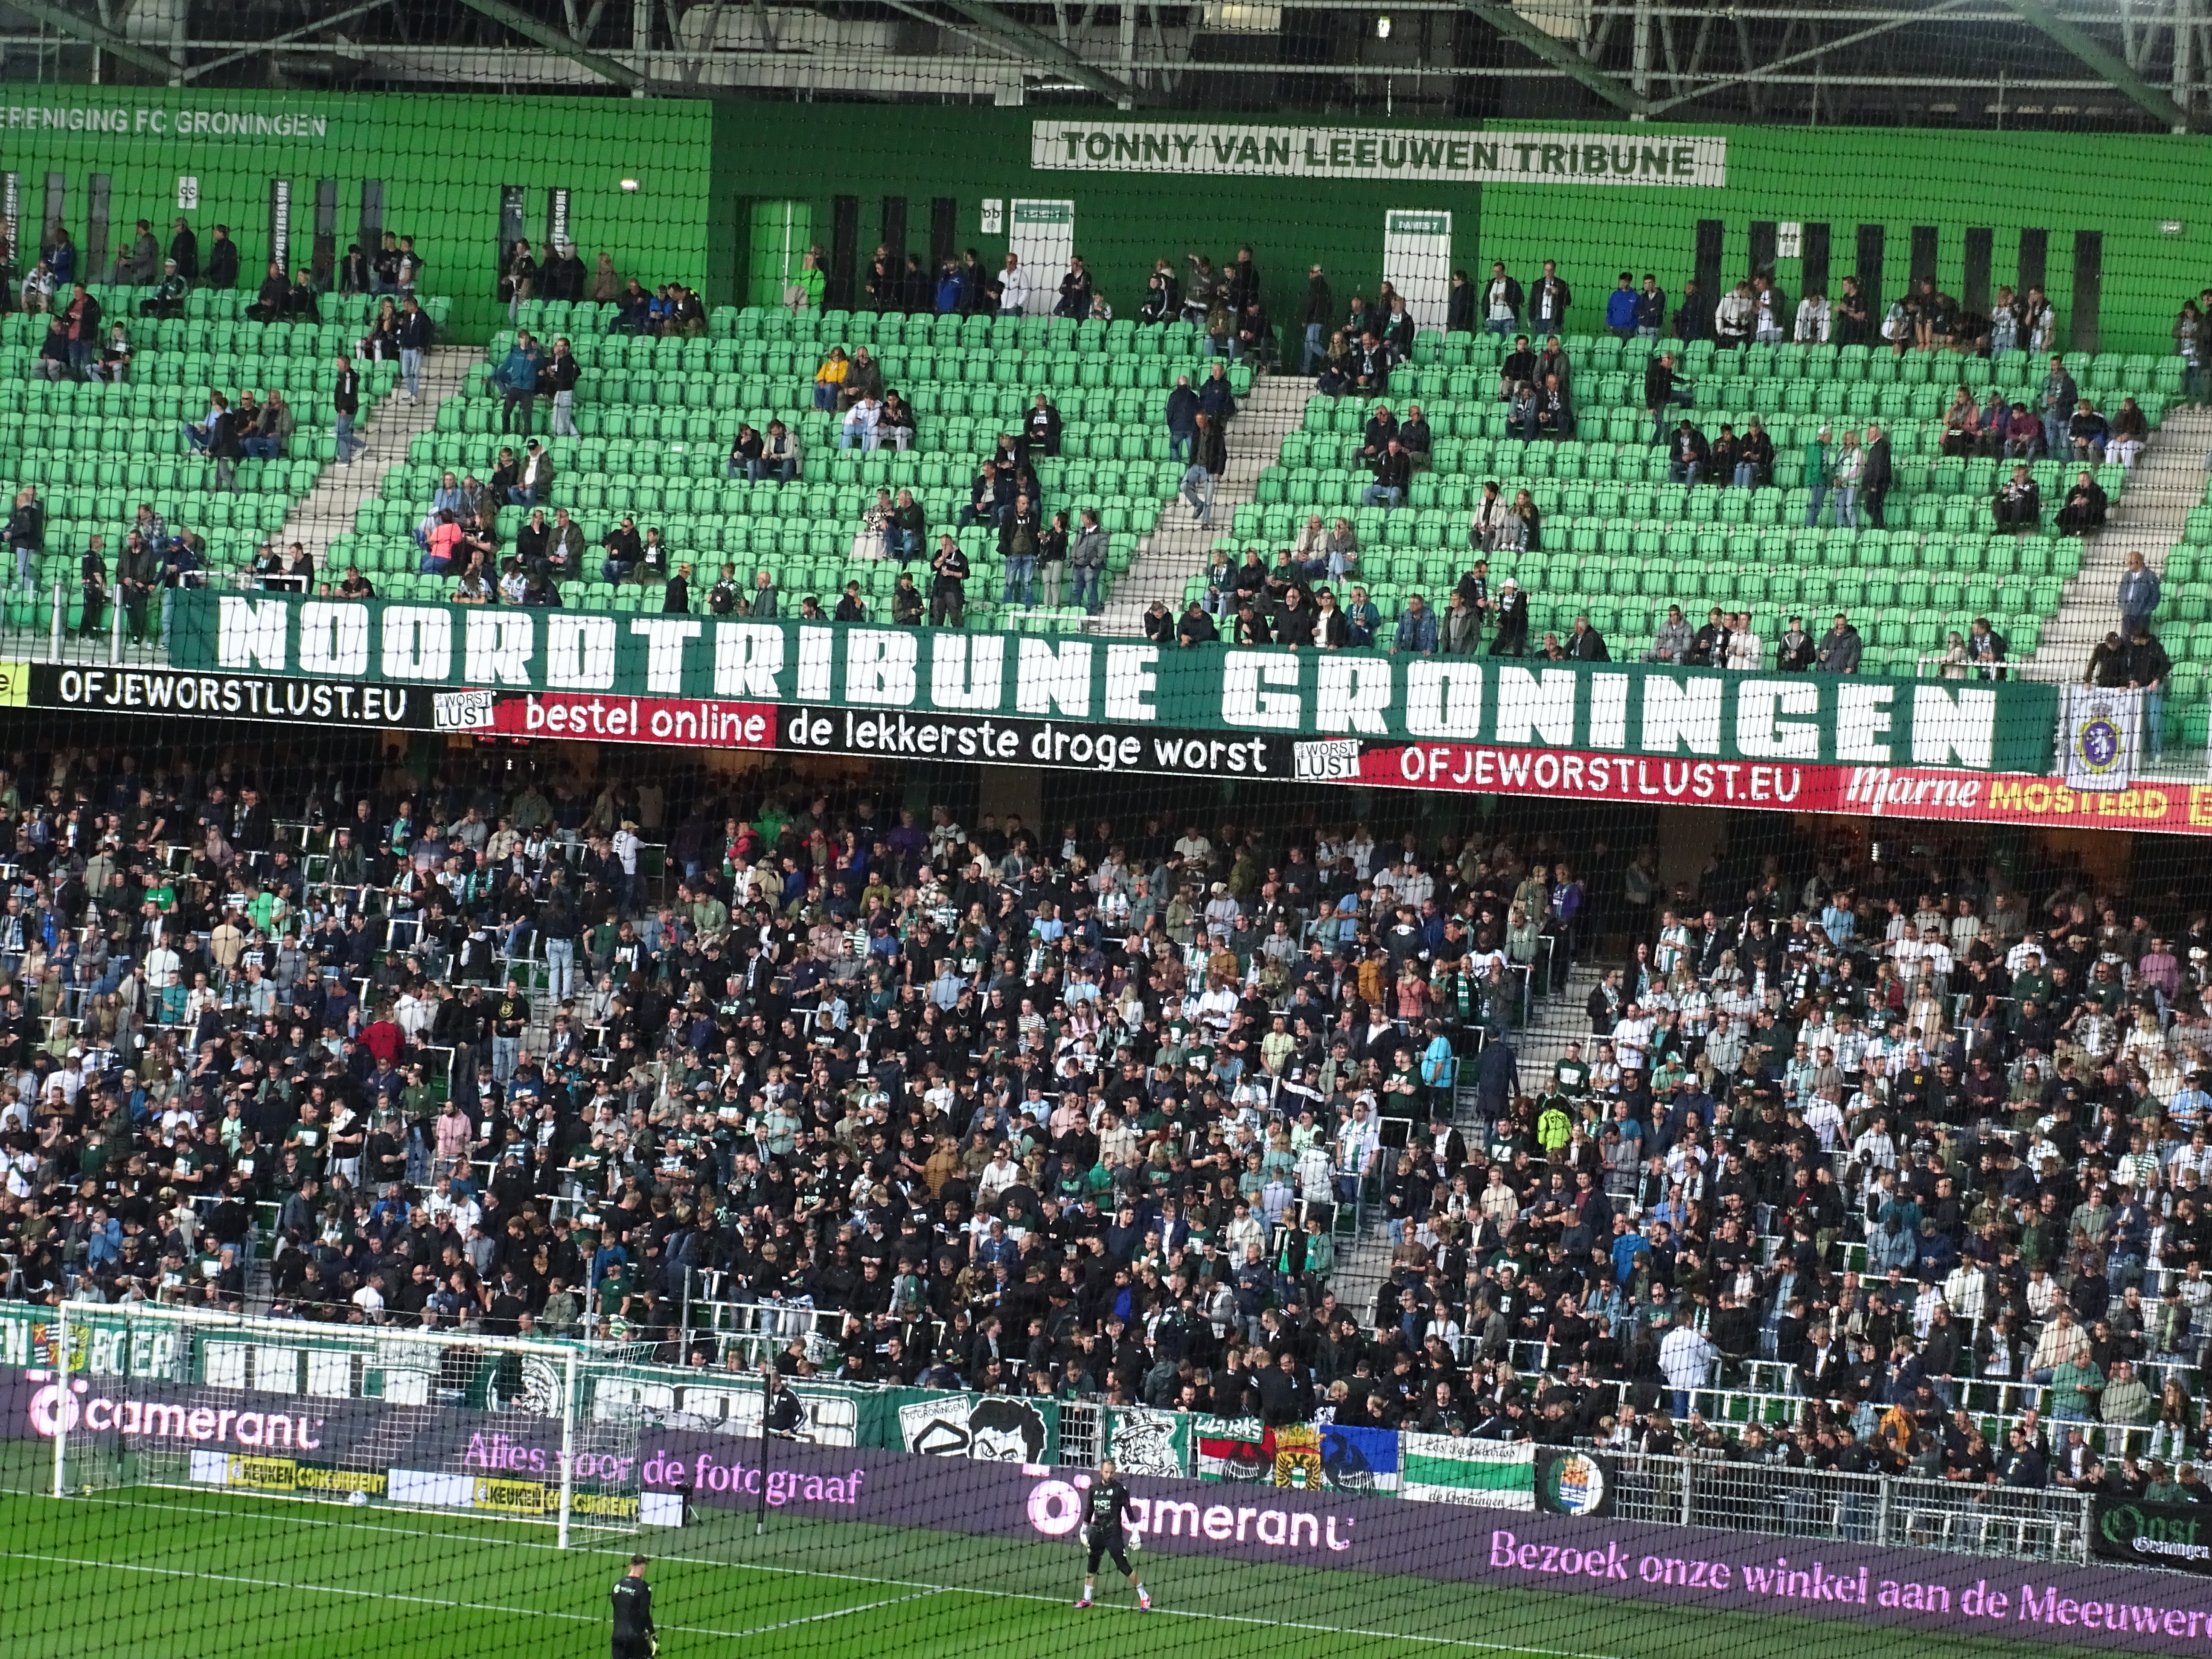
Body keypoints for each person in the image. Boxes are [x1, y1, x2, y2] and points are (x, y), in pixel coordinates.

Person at [1076, 1459, 1152, 1611]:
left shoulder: (1119, 1490)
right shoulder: (1094, 1490)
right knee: (1092, 1565)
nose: (1109, 1475)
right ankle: (1087, 1599)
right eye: (1106, 1472)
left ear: (1114, 1472)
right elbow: (1090, 1510)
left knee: (1123, 1566)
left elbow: (1129, 1512)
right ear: (1101, 1472)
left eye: (1111, 1472)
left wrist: (1135, 1534)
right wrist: (1084, 1529)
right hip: (1097, 1532)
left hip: (1113, 1534)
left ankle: (1145, 1597)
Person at [610, 1555, 655, 1659]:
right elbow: (645, 1614)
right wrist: (653, 1634)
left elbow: (616, 1606)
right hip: (636, 1638)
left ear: (630, 1567)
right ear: (643, 1567)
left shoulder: (618, 1585)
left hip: (618, 1636)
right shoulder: (644, 1587)